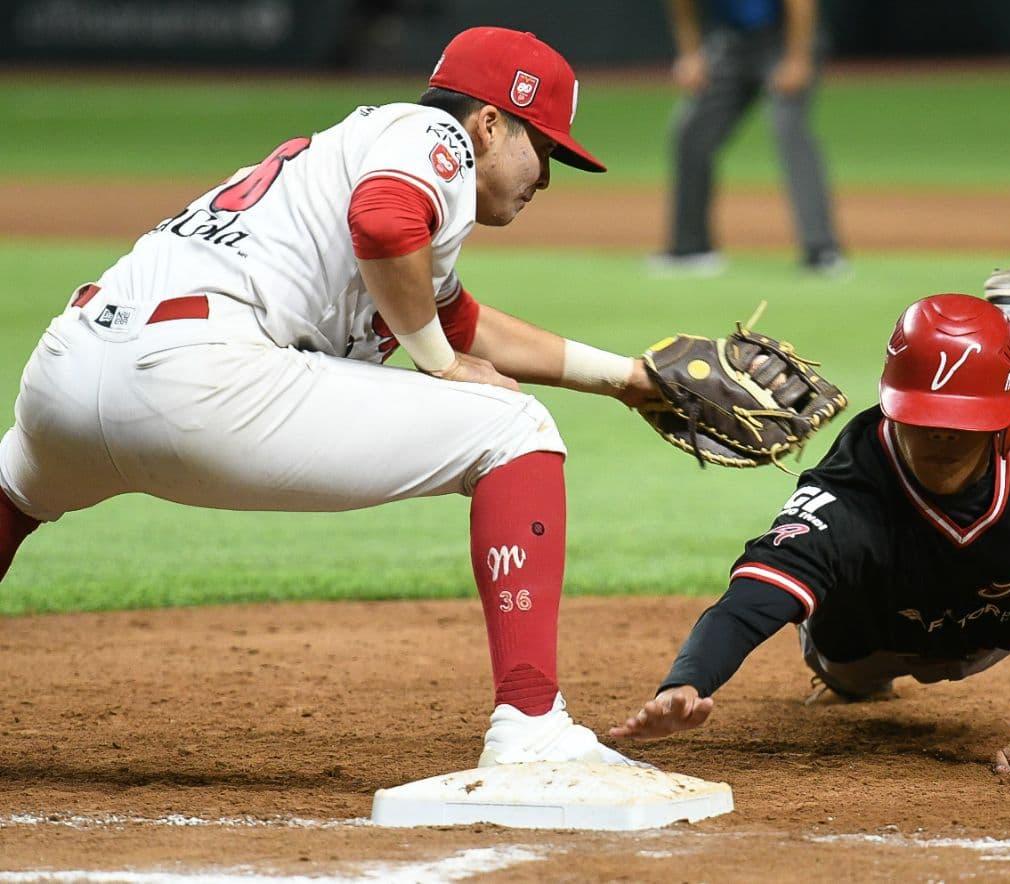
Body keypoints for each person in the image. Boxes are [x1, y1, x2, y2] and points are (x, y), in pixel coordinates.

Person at [0, 27, 660, 768]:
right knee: (515, 430)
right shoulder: (432, 135)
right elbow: (385, 224)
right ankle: (532, 725)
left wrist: (628, 378)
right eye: (544, 148)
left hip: (66, 369)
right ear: (490, 122)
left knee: (12, 494)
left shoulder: (352, 154)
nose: (547, 175)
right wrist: (440, 367)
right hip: (197, 381)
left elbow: (451, 315)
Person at [612, 269, 1010, 778]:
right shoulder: (845, 492)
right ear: (892, 409)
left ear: (1005, 424)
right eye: (926, 421)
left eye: (964, 424)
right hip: (869, 643)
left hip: (1009, 616)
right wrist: (688, 679)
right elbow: (755, 597)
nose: (943, 438)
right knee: (847, 674)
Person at [650, 0, 847, 277]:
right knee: (691, 132)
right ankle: (691, 249)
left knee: (790, 130)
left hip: (785, 38)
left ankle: (822, 251)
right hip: (730, 41)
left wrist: (798, 57)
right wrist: (690, 53)